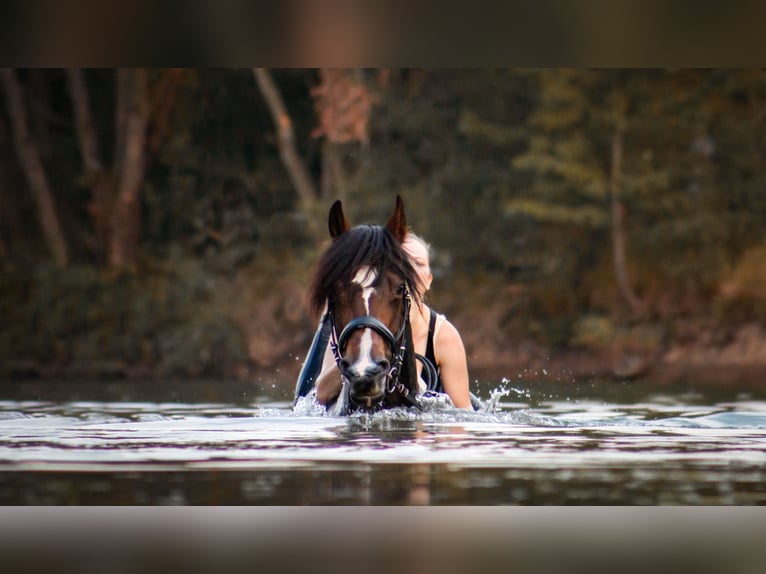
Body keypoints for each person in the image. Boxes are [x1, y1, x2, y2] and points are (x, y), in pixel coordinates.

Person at [314, 232, 472, 409]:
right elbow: (321, 394)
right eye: (404, 261)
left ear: (428, 280)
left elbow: (462, 415)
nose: (411, 270)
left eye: (418, 263)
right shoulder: (359, 327)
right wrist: (361, 361)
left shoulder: (444, 336)